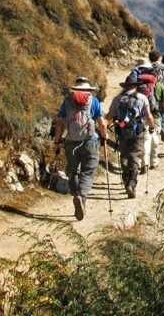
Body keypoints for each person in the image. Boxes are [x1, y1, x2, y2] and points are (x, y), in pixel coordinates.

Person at [52, 77, 108, 221]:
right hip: (90, 141)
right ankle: (82, 197)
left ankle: (76, 194)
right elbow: (101, 122)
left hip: (71, 142)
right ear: (88, 89)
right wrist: (105, 135)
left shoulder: (67, 100)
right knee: (88, 173)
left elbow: (59, 122)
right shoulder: (93, 101)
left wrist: (57, 140)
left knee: (73, 171)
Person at [106, 74, 155, 198]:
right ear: (136, 86)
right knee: (135, 157)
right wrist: (152, 127)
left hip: (122, 132)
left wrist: (109, 124)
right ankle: (132, 183)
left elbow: (109, 116)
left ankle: (126, 180)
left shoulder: (118, 98)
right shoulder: (142, 97)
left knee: (124, 157)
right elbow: (148, 115)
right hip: (137, 132)